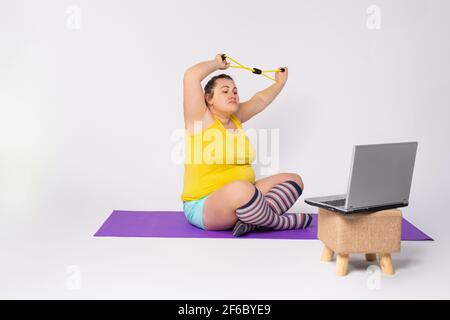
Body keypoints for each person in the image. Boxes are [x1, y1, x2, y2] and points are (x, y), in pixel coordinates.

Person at [181, 53, 312, 236]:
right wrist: (215, 64)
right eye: (225, 91)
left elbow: (259, 100)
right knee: (242, 188)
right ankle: (276, 222)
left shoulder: (236, 118)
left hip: (246, 198)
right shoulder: (200, 119)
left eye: (235, 91)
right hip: (204, 206)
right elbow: (190, 77)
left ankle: (252, 221)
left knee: (293, 180)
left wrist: (279, 83)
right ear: (209, 99)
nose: (233, 95)